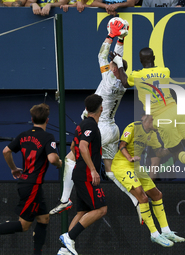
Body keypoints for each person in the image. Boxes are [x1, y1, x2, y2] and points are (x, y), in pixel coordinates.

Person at [50, 18, 142, 224]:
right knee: (109, 171)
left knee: (70, 159)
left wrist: (112, 36)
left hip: (99, 127)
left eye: (111, 65)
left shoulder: (109, 79)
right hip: (113, 129)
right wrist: (122, 39)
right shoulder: (118, 80)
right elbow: (116, 60)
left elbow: (103, 55)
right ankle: (135, 199)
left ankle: (65, 199)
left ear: (115, 69)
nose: (108, 64)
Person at [114, 47, 185, 186]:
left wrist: (119, 63)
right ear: (154, 58)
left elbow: (124, 82)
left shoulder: (137, 75)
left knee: (177, 152)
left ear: (140, 61)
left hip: (162, 118)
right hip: (177, 110)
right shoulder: (165, 71)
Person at [0, 103, 63, 255]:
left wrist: (13, 168)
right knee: (24, 225)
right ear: (47, 120)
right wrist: (60, 163)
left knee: (44, 218)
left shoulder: (24, 135)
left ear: (32, 119)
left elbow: (6, 151)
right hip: (32, 186)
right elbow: (53, 159)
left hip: (30, 184)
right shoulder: (48, 137)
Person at [111, 115, 185, 248]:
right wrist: (130, 157)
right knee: (142, 197)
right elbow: (121, 145)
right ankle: (154, 234)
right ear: (148, 120)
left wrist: (172, 148)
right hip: (122, 165)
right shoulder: (133, 126)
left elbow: (159, 153)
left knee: (157, 195)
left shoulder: (152, 134)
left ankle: (166, 231)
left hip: (136, 166)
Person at [58, 94, 106, 255]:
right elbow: (83, 147)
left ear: (86, 109)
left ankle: (65, 250)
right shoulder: (91, 125)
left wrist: (80, 162)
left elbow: (73, 146)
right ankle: (69, 237)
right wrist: (92, 169)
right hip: (86, 175)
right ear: (101, 108)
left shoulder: (82, 124)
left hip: (80, 173)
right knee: (101, 209)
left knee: (81, 212)